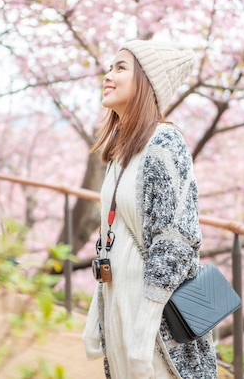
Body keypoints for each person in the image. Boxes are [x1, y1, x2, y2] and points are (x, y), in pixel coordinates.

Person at [82, 39, 218, 378]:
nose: (108, 75)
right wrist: (96, 315)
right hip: (120, 308)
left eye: (120, 67)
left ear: (146, 82)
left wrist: (144, 329)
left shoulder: (164, 143)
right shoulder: (120, 151)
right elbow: (112, 237)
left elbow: (176, 240)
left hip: (156, 324)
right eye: (110, 67)